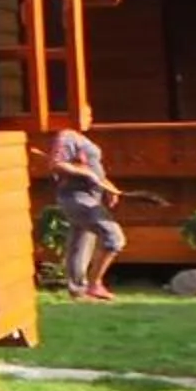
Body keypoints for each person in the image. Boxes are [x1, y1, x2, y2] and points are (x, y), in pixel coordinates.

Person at [43, 128, 124, 301]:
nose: (89, 115)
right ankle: (94, 285)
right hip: (77, 198)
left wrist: (108, 186)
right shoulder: (66, 136)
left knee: (79, 243)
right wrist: (86, 173)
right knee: (113, 238)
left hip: (90, 196)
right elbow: (56, 164)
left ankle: (78, 290)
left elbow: (92, 169)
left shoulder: (78, 137)